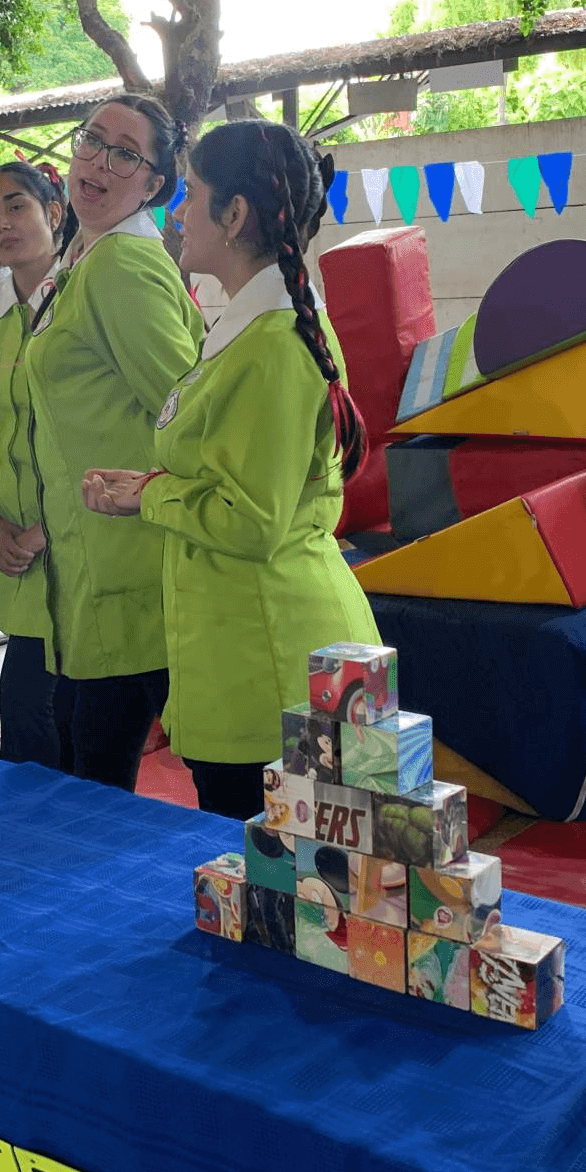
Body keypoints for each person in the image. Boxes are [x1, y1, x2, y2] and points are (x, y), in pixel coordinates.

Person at [80, 119, 379, 818]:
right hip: (247, 650)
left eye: (190, 193)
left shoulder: (272, 344)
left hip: (274, 663)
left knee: (300, 877)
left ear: (235, 213)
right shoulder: (251, 328)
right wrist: (152, 487)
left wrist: (150, 498)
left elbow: (251, 520)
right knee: (279, 873)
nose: (177, 213)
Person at [25, 94, 205, 788]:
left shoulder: (121, 266)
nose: (98, 162)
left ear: (155, 184)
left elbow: (186, 408)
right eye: (92, 140)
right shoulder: (85, 258)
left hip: (128, 564)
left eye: (124, 154)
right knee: (84, 765)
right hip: (90, 558)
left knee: (98, 783)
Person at [0, 162, 73, 766]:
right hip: (17, 553)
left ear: (54, 213)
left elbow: (119, 430)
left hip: (82, 540)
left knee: (74, 734)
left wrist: (50, 527)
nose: (1, 224)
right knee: (28, 722)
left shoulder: (87, 298)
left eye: (16, 206)